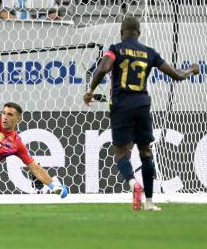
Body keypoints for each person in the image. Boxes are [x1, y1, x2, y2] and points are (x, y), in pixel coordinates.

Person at [83, 15, 199, 211]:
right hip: (143, 105)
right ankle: (150, 202)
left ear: (122, 33)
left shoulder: (115, 49)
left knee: (121, 153)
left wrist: (90, 90)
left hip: (121, 105)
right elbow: (176, 75)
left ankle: (132, 183)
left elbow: (103, 67)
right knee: (146, 152)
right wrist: (191, 70)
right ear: (139, 33)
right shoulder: (149, 52)